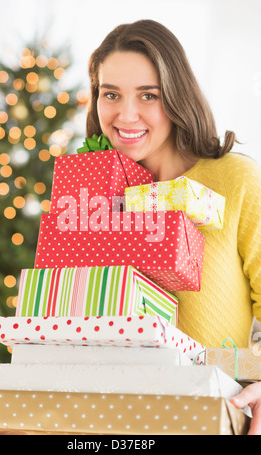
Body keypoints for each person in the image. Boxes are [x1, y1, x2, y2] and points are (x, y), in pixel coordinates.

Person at [85, 19, 261, 435]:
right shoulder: (92, 193)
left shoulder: (235, 181)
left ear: (178, 96)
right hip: (102, 419)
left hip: (204, 415)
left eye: (149, 95)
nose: (125, 115)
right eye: (110, 94)